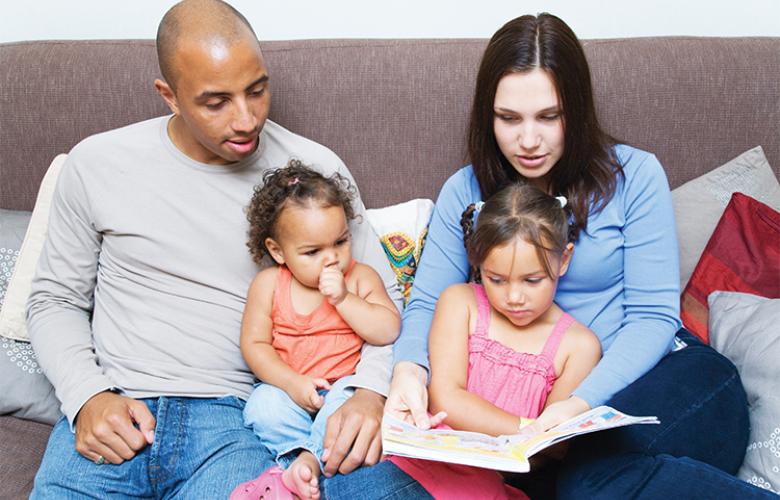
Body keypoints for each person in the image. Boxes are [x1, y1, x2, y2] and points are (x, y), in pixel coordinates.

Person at [380, 12, 775, 500]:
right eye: (509, 118)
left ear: (578, 109)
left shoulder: (634, 175)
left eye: (549, 116)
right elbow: (427, 303)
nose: (528, 140)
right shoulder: (465, 190)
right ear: (488, 115)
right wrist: (408, 372)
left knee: (583, 482)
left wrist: (575, 407)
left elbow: (652, 317)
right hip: (548, 424)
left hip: (669, 381)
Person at [25, 1, 401, 497]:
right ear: (170, 96)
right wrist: (87, 395)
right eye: (215, 101)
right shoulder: (96, 163)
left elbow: (388, 298)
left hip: (231, 421)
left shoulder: (312, 175)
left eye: (257, 89)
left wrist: (371, 390)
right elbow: (54, 300)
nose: (246, 119)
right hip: (116, 404)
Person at [386, 183, 601, 499]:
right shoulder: (461, 303)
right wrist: (527, 429)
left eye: (532, 280)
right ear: (479, 265)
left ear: (563, 260)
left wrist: (531, 436)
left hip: (505, 483)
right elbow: (445, 397)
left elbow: (550, 446)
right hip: (427, 468)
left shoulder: (579, 346)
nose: (514, 297)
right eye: (495, 279)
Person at [231, 162, 400, 500]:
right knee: (262, 406)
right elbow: (254, 344)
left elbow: (388, 329)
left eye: (340, 242)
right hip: (290, 390)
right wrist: (291, 383)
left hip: (341, 388)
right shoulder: (268, 285)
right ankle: (297, 460)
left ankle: (307, 462)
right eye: (312, 252)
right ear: (278, 251)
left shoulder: (360, 277)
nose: (332, 259)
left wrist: (344, 299)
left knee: (346, 406)